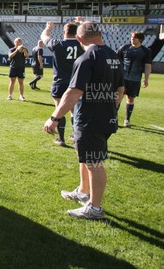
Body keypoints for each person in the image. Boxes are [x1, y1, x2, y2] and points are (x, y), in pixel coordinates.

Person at [44, 21, 124, 220]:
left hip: (90, 119)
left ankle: (95, 208)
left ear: (79, 39)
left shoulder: (87, 57)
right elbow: (120, 89)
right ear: (100, 34)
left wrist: (55, 117)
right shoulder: (113, 56)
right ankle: (82, 191)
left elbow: (73, 92)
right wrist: (110, 108)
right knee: (86, 156)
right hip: (106, 116)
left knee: (94, 162)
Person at [41, 22, 82, 146]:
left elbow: (44, 37)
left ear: (64, 32)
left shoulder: (57, 44)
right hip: (77, 82)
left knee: (59, 109)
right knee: (74, 111)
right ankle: (76, 135)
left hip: (60, 82)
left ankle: (61, 139)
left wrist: (48, 28)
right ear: (76, 33)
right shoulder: (82, 45)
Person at [117, 31, 152, 128]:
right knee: (118, 97)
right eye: (132, 37)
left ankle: (127, 120)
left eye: (134, 37)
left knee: (130, 98)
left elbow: (148, 65)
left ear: (140, 39)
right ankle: (113, 118)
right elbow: (116, 60)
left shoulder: (145, 51)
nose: (132, 38)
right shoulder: (124, 48)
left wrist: (146, 79)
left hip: (135, 79)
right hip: (122, 78)